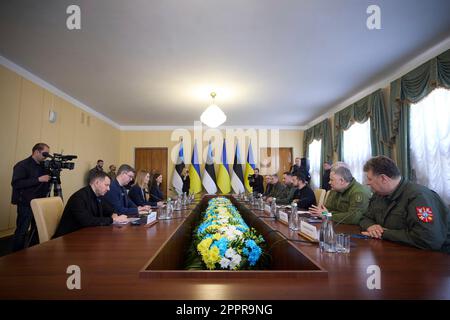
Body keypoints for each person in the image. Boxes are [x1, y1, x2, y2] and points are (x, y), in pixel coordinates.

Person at [360, 156, 450, 253]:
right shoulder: (379, 195)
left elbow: (429, 239)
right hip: (393, 252)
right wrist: (371, 226)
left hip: (434, 258)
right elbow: (365, 218)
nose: (367, 183)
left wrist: (384, 233)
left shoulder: (419, 197)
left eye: (369, 179)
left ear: (383, 178)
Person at [53, 171, 128, 238]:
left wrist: (113, 214)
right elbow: (87, 221)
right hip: (67, 239)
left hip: (85, 236)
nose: (108, 189)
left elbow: (110, 209)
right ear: (97, 183)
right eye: (106, 185)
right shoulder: (79, 197)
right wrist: (113, 220)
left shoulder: (99, 195)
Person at [11, 143, 51, 251]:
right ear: (36, 152)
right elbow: (16, 184)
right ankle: (16, 256)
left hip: (39, 203)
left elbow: (46, 182)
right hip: (25, 203)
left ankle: (32, 252)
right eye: (44, 154)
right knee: (22, 231)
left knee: (37, 229)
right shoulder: (22, 165)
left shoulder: (44, 166)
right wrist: (38, 179)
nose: (46, 156)